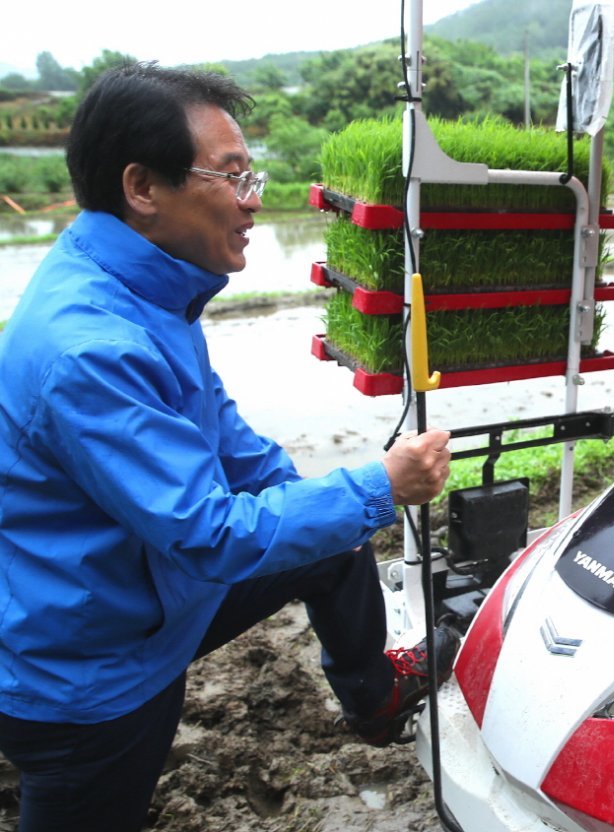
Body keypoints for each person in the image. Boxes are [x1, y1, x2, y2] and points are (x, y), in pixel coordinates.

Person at [0, 63, 453, 831]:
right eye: (233, 177)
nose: (254, 201)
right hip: (89, 670)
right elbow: (209, 537)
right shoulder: (91, 348)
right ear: (143, 188)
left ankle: (374, 699)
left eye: (254, 174)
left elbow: (229, 440)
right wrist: (379, 486)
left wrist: (334, 500)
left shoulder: (146, 289)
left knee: (328, 541)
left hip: (142, 593)